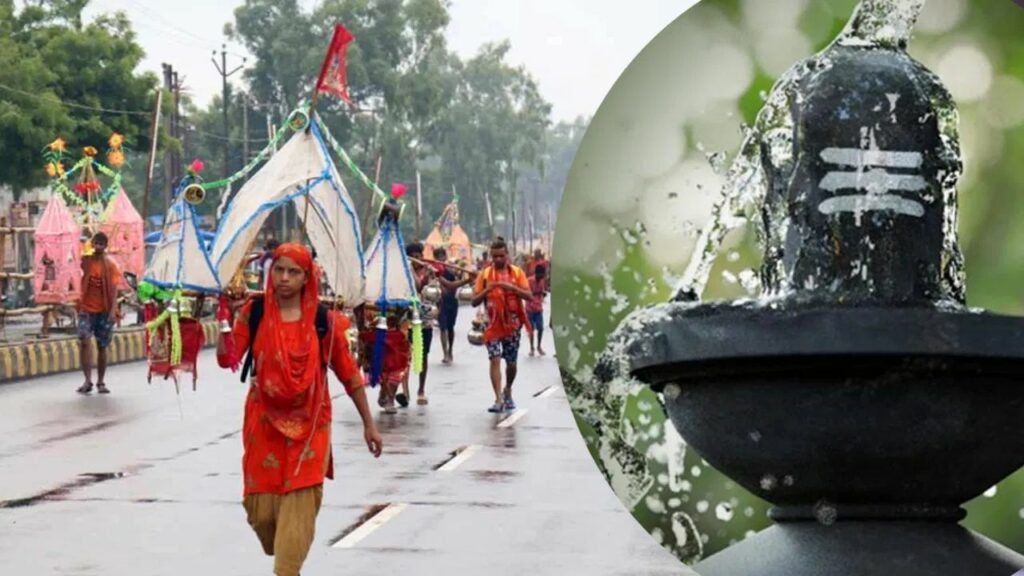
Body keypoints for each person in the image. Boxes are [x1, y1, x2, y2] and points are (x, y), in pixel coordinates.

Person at [218, 243, 382, 576]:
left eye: (294, 272)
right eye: (278, 270)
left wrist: (369, 424)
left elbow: (350, 375)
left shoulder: (325, 321)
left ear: (308, 277)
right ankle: (282, 552)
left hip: (311, 428)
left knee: (292, 537)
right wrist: (225, 321)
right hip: (263, 425)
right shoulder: (254, 313)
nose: (284, 278)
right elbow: (228, 358)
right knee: (261, 514)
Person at [472, 239, 532, 413]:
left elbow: (528, 296)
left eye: (501, 256)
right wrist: (487, 290)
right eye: (495, 256)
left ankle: (508, 389)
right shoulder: (484, 275)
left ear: (507, 255)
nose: (498, 259)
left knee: (511, 363)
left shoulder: (517, 273)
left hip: (513, 325)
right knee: (495, 358)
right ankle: (498, 399)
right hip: (491, 325)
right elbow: (474, 301)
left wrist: (509, 287)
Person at [76, 232, 124, 395]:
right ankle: (87, 380)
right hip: (86, 309)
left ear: (105, 246)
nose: (97, 246)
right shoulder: (85, 261)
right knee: (84, 340)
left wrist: (112, 311)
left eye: (101, 244)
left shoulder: (111, 265)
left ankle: (101, 381)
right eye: (95, 243)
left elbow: (115, 288)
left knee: (102, 346)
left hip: (104, 310)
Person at [400, 242, 439, 406]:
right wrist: (410, 269)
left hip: (424, 320)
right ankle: (404, 390)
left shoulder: (428, 272)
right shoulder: (404, 271)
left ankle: (421, 390)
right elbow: (416, 285)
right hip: (407, 318)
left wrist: (432, 276)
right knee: (405, 356)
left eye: (419, 257)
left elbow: (435, 295)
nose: (417, 260)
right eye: (413, 257)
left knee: (423, 356)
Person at [434, 247, 473, 365]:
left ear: (445, 257)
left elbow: (454, 284)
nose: (441, 258)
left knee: (450, 328)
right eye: (438, 257)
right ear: (436, 258)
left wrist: (464, 276)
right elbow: (449, 285)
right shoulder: (434, 271)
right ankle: (445, 352)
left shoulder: (451, 270)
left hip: (452, 301)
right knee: (443, 328)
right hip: (441, 302)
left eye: (442, 256)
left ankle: (450, 349)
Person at [527, 264, 549, 356]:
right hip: (530, 308)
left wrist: (543, 293)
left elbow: (542, 291)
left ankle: (539, 346)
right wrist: (538, 293)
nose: (542, 277)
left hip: (538, 308)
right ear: (537, 274)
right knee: (531, 329)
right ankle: (532, 348)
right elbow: (527, 293)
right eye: (542, 275)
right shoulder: (529, 281)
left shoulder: (542, 281)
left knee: (540, 328)